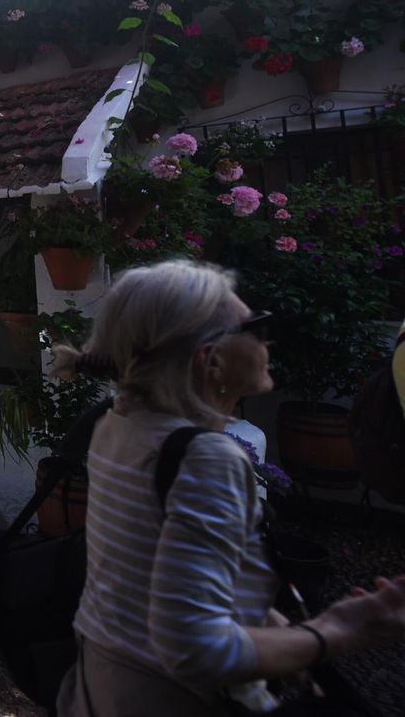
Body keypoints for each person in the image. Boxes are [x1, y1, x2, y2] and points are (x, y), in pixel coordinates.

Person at [54, 259, 405, 716]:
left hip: (103, 684)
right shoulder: (205, 458)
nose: (267, 339)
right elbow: (195, 649)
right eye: (255, 327)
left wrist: (275, 632)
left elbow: (153, 570)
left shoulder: (117, 423)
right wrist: (335, 632)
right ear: (211, 359)